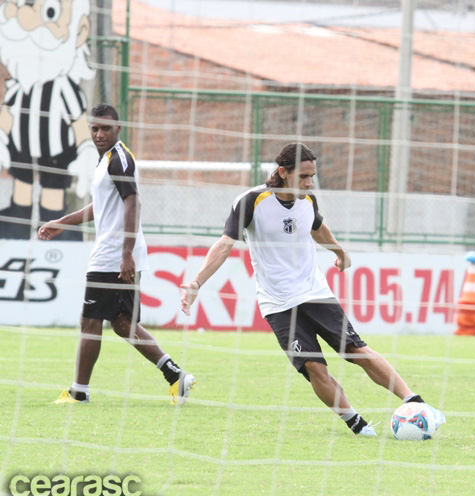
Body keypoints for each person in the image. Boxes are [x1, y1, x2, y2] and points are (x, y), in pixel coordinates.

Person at [179, 142, 444, 436]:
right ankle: (356, 423)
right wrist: (197, 282)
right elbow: (225, 243)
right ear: (283, 172)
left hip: (315, 292)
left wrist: (339, 251)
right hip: (277, 303)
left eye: (312, 175)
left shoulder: (309, 201)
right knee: (315, 368)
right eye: (304, 176)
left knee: (356, 350)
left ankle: (416, 402)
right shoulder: (251, 201)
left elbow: (317, 228)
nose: (309, 182)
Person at [38, 103, 195, 404]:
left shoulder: (120, 159)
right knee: (123, 323)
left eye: (105, 129)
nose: (99, 134)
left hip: (113, 254)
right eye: (95, 129)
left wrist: (126, 254)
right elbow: (100, 208)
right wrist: (62, 222)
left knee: (90, 322)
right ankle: (176, 376)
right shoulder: (106, 161)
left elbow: (132, 202)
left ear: (118, 128)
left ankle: (78, 392)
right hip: (117, 251)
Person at [0, 0, 97, 239]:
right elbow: (7, 116)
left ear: (80, 31)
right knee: (20, 199)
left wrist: (86, 150)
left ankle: (57, 235)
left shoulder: (64, 89)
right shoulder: (18, 87)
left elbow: (78, 121)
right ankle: (16, 232)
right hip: (20, 154)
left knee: (53, 202)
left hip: (56, 157)